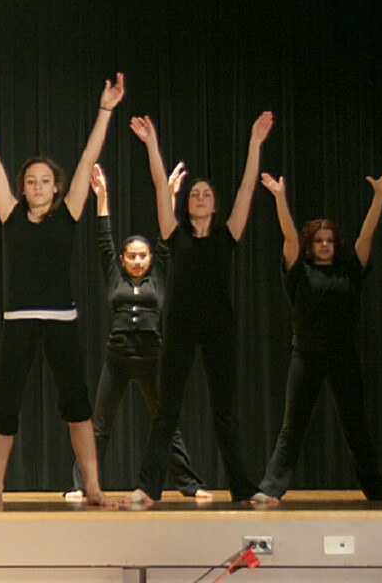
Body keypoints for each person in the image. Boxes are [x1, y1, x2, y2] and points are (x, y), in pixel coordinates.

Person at [0, 73, 125, 508]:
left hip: (61, 320)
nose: (37, 187)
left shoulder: (68, 215)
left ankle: (93, 487)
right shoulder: (11, 216)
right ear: (22, 187)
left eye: (44, 180)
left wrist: (105, 111)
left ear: (56, 186)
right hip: (19, 320)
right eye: (30, 181)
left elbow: (87, 160)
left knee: (77, 403)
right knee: (4, 405)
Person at [127, 112, 277, 506]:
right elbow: (160, 184)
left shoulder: (228, 235)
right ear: (187, 203)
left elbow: (247, 187)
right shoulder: (174, 235)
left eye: (206, 194)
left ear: (215, 205)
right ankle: (148, 488)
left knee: (225, 413)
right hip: (179, 327)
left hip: (218, 328)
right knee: (166, 411)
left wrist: (255, 143)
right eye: (194, 194)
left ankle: (243, 489)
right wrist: (152, 143)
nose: (199, 198)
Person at [67, 164, 212, 501]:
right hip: (117, 359)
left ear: (149, 259)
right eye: (130, 256)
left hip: (152, 359)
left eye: (141, 256)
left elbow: (165, 240)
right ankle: (81, 485)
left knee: (166, 424)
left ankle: (190, 484)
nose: (136, 261)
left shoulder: (157, 274)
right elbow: (104, 241)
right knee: (99, 426)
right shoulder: (115, 276)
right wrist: (102, 197)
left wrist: (171, 196)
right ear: (122, 259)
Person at [256, 170, 382, 503]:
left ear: (336, 244)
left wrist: (379, 195)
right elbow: (289, 236)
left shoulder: (349, 271)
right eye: (318, 240)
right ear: (310, 245)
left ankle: (377, 488)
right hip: (305, 356)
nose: (324, 245)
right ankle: (271, 488)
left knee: (355, 426)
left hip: (343, 355)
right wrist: (280, 198)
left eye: (329, 240)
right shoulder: (299, 272)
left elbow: (366, 236)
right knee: (292, 427)